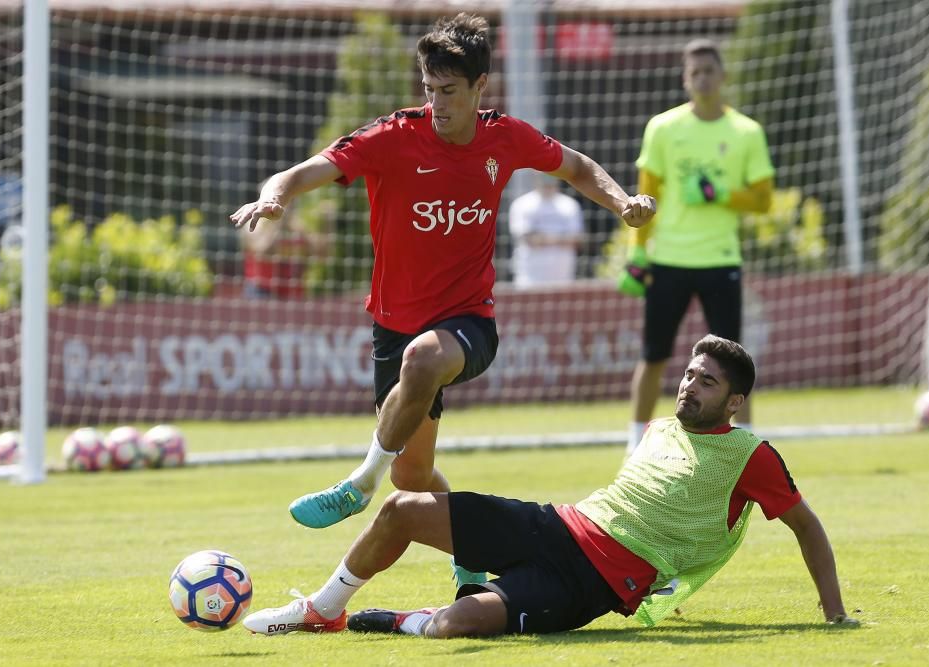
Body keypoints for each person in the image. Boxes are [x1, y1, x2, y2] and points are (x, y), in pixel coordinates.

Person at [229, 13, 656, 588]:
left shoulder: (505, 136)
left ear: (481, 87)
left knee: (423, 362)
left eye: (449, 92)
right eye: (429, 90)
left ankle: (358, 483)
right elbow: (303, 172)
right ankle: (470, 562)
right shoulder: (392, 137)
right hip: (393, 324)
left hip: (468, 324)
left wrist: (622, 201)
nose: (437, 104)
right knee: (415, 476)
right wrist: (274, 197)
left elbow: (575, 165)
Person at [241, 335, 858, 637]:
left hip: (592, 582)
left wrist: (834, 616)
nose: (688, 387)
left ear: (736, 401)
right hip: (557, 523)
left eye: (707, 382)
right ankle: (321, 610)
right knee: (401, 508)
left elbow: (808, 527)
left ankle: (405, 619)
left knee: (452, 627)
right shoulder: (657, 429)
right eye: (689, 374)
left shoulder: (751, 455)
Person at [619, 38, 774, 459]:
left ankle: (746, 443)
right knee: (654, 355)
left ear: (723, 77)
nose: (703, 79)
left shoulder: (746, 131)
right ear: (686, 80)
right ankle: (636, 441)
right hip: (667, 260)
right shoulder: (664, 128)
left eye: (710, 71)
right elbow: (644, 197)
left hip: (721, 260)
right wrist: (637, 252)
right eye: (695, 73)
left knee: (735, 363)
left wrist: (720, 192)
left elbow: (763, 198)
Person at [239, 187, 328, 299]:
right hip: (261, 291)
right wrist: (281, 220)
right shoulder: (255, 225)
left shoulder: (298, 227)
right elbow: (263, 252)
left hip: (292, 293)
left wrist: (327, 224)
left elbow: (321, 255)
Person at [508, 175, 584, 287]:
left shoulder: (570, 205)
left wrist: (543, 238)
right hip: (530, 279)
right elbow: (529, 239)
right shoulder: (522, 204)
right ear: (535, 178)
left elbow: (577, 239)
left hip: (564, 278)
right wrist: (562, 239)